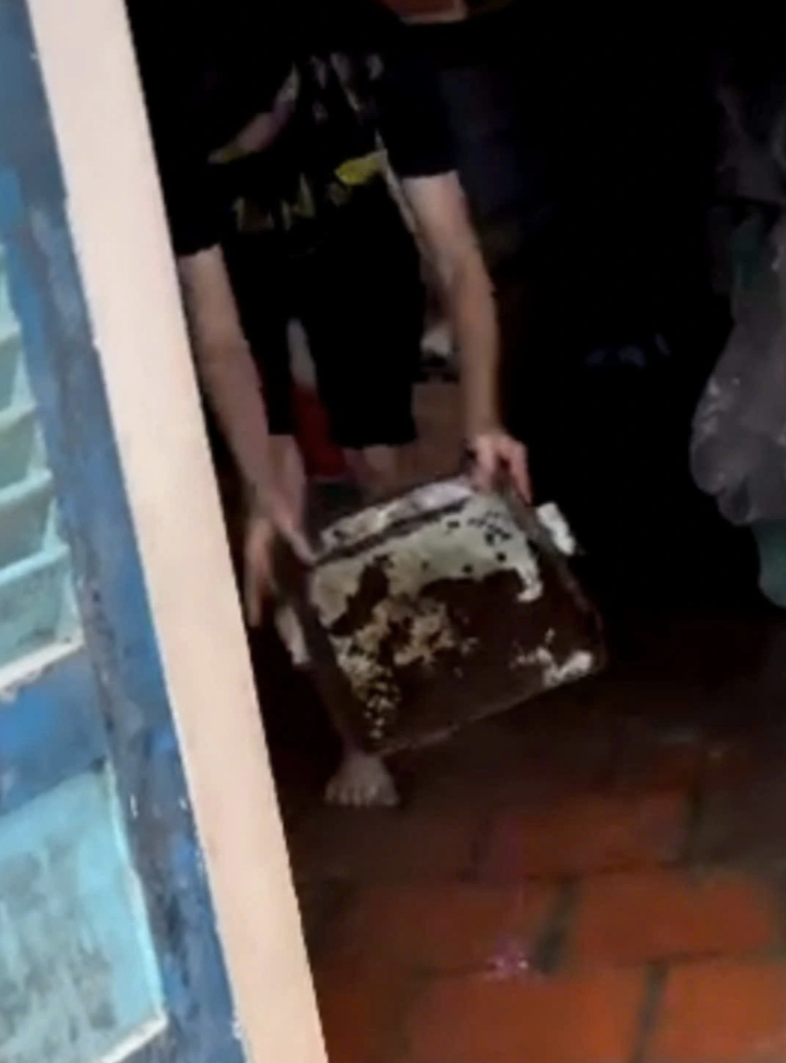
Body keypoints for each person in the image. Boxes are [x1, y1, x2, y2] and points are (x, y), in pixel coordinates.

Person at [128, 0, 530, 801]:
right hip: (245, 279)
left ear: (284, 89)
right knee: (282, 502)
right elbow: (219, 337)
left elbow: (455, 256)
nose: (229, 149)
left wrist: (485, 416)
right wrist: (256, 474)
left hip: (356, 246)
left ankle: (414, 660)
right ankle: (359, 734)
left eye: (242, 130)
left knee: (382, 463)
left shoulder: (374, 58)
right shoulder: (170, 115)